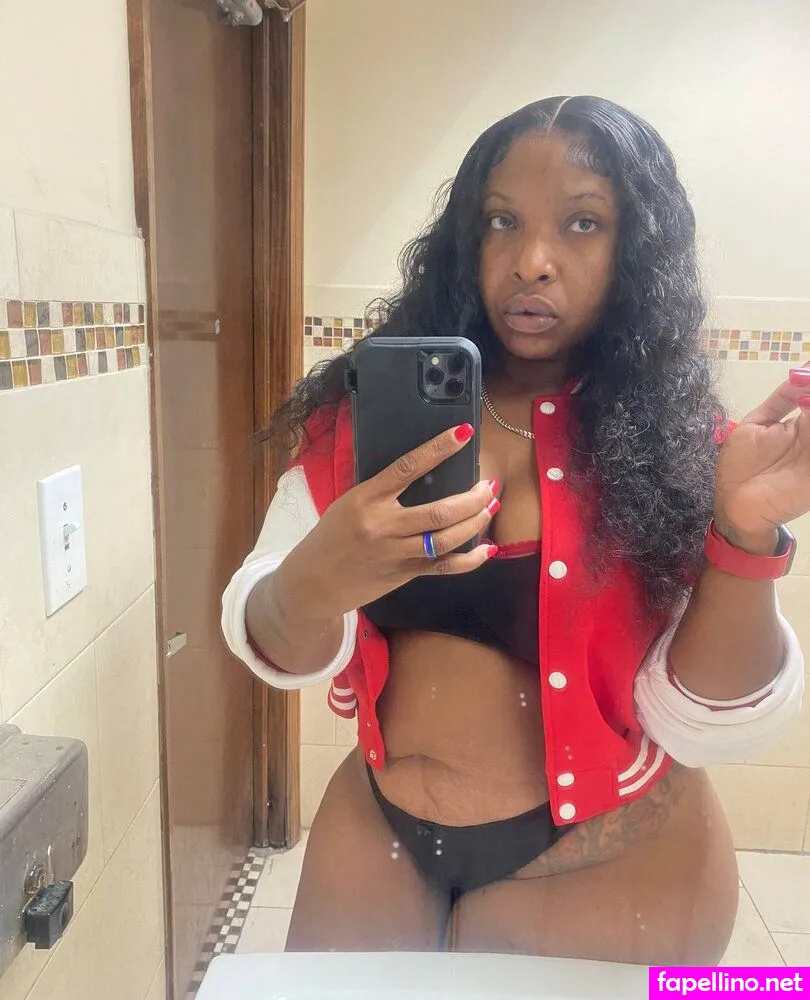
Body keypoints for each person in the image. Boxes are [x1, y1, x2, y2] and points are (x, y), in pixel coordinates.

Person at [222, 96, 807, 965]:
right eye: (502, 221)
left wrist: (743, 532)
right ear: (467, 237)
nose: (532, 261)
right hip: (376, 834)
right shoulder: (359, 426)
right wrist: (315, 580)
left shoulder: (679, 451)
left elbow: (708, 726)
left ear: (636, 249)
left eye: (582, 223)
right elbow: (269, 635)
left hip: (616, 859)